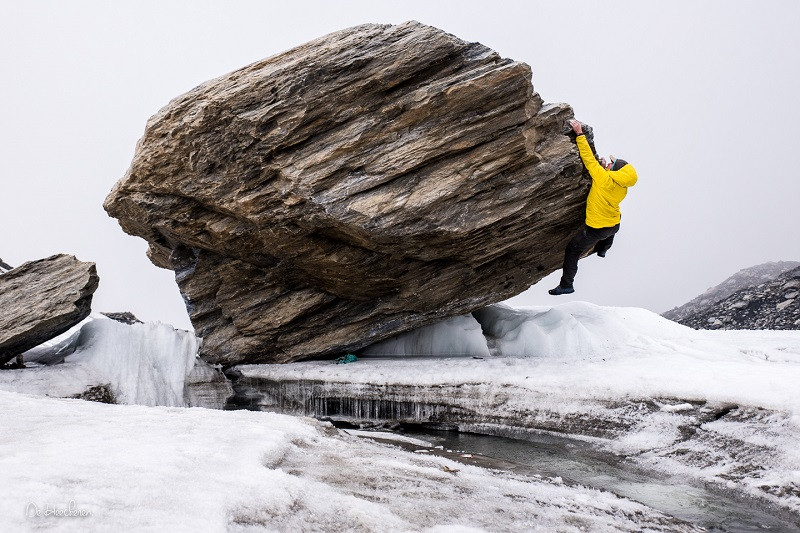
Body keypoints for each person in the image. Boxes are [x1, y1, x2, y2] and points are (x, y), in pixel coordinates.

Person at [549, 119, 638, 295]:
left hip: (596, 228)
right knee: (612, 229)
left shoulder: (603, 179)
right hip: (613, 224)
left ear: (614, 172)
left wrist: (579, 133)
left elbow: (589, 160)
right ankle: (603, 249)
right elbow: (608, 179)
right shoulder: (622, 187)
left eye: (612, 164)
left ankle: (567, 284)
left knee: (573, 250)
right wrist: (605, 169)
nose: (609, 163)